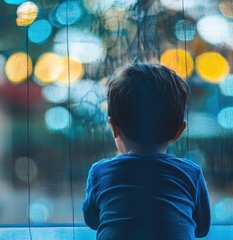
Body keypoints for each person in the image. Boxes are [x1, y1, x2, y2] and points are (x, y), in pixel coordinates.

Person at [82, 63, 211, 240]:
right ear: (178, 131)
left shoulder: (100, 172)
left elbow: (92, 220)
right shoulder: (190, 173)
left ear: (114, 127)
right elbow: (202, 228)